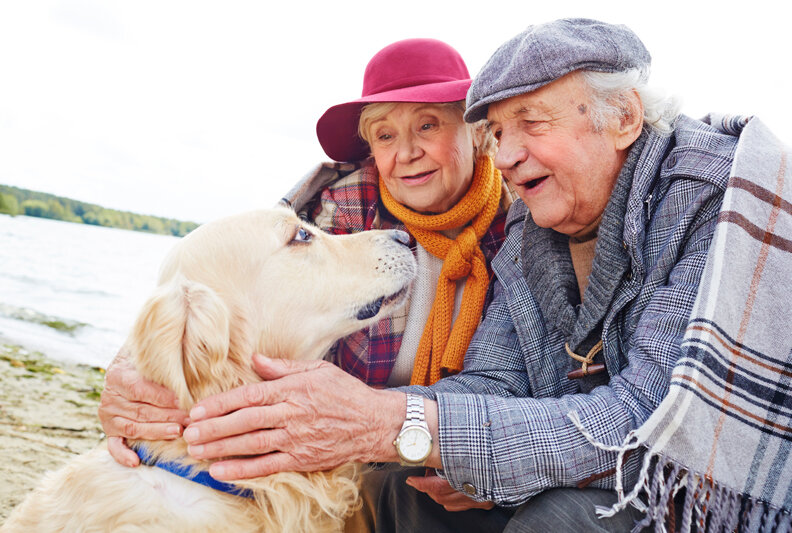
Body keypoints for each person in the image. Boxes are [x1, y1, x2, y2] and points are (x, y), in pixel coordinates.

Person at [178, 18, 772, 531]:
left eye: (530, 123)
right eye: (500, 131)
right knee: (401, 493)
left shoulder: (710, 202)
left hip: (703, 483)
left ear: (623, 116)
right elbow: (494, 379)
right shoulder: (521, 230)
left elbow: (647, 418)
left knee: (561, 518)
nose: (509, 153)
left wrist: (399, 425)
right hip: (561, 451)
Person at [97, 38, 510, 519]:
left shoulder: (525, 225)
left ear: (476, 131)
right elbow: (221, 289)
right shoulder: (325, 212)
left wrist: (481, 457)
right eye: (384, 135)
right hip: (349, 459)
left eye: (427, 124)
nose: (407, 152)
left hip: (464, 446)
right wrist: (128, 380)